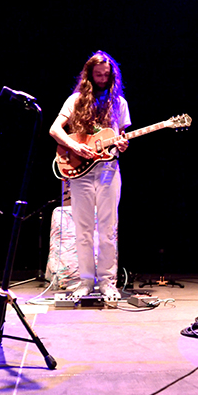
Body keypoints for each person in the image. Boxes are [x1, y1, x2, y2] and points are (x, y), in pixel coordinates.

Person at [49, 51, 131, 301]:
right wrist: (74, 146)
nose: (103, 79)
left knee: (108, 229)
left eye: (107, 75)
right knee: (83, 230)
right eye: (98, 75)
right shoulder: (75, 100)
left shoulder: (119, 103)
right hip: (80, 171)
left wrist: (123, 144)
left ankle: (107, 281)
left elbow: (121, 136)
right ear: (89, 75)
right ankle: (85, 280)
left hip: (108, 170)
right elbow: (54, 129)